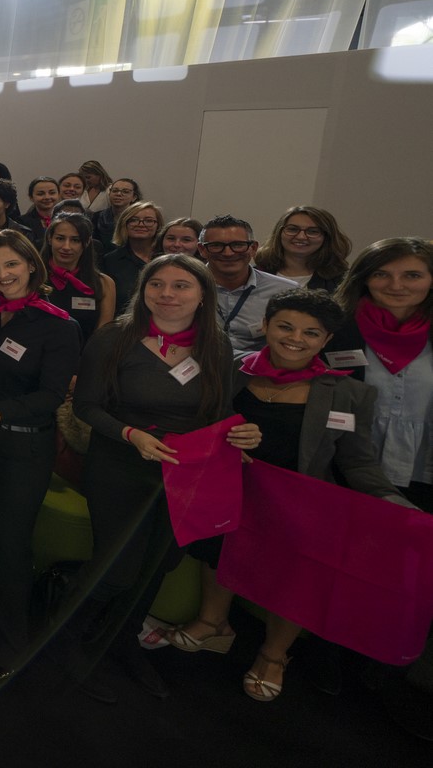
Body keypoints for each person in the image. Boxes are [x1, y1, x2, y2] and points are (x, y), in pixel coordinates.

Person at [165, 289, 416, 702]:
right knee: (217, 554)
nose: (295, 338)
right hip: (230, 489)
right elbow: (197, 418)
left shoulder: (350, 394)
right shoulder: (229, 369)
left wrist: (393, 502)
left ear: (326, 340)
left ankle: (274, 654)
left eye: (310, 332)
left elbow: (357, 463)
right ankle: (214, 623)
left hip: (301, 503)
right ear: (266, 326)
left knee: (293, 578)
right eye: (285, 326)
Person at [67, 253, 247, 700]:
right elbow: (85, 406)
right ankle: (66, 638)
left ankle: (121, 641)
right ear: (143, 290)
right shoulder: (113, 339)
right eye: (157, 284)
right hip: (120, 466)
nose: (167, 294)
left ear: (203, 294)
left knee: (157, 565)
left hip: (183, 473)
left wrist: (241, 435)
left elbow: (219, 414)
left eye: (181, 285)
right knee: (118, 568)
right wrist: (130, 435)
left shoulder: (216, 345)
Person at [0, 230, 82, 682]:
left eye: (11, 265)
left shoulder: (58, 325)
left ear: (32, 265)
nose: (2, 275)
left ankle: (10, 644)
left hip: (25, 444)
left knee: (11, 545)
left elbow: (53, 394)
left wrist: (1, 410)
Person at [325, 238, 433, 509]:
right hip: (349, 465)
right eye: (381, 274)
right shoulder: (334, 330)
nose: (396, 285)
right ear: (364, 278)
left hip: (424, 468)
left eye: (412, 275)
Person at [197, 215, 296, 354]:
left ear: (253, 248)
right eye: (216, 246)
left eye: (238, 245)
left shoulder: (286, 291)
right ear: (202, 250)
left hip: (257, 372)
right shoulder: (184, 287)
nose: (228, 253)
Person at [42, 213, 116, 342]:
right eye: (60, 238)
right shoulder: (33, 278)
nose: (66, 247)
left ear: (87, 242)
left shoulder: (104, 283)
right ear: (49, 239)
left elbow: (101, 335)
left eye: (75, 240)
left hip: (84, 357)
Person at [253, 206, 351, 292]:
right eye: (292, 229)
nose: (301, 237)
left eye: (312, 231)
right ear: (279, 233)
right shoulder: (253, 275)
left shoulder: (343, 282)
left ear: (327, 237)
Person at [100, 201, 163, 316]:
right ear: (124, 224)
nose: (141, 224)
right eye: (133, 220)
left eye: (149, 220)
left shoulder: (165, 259)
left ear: (158, 226)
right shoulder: (110, 260)